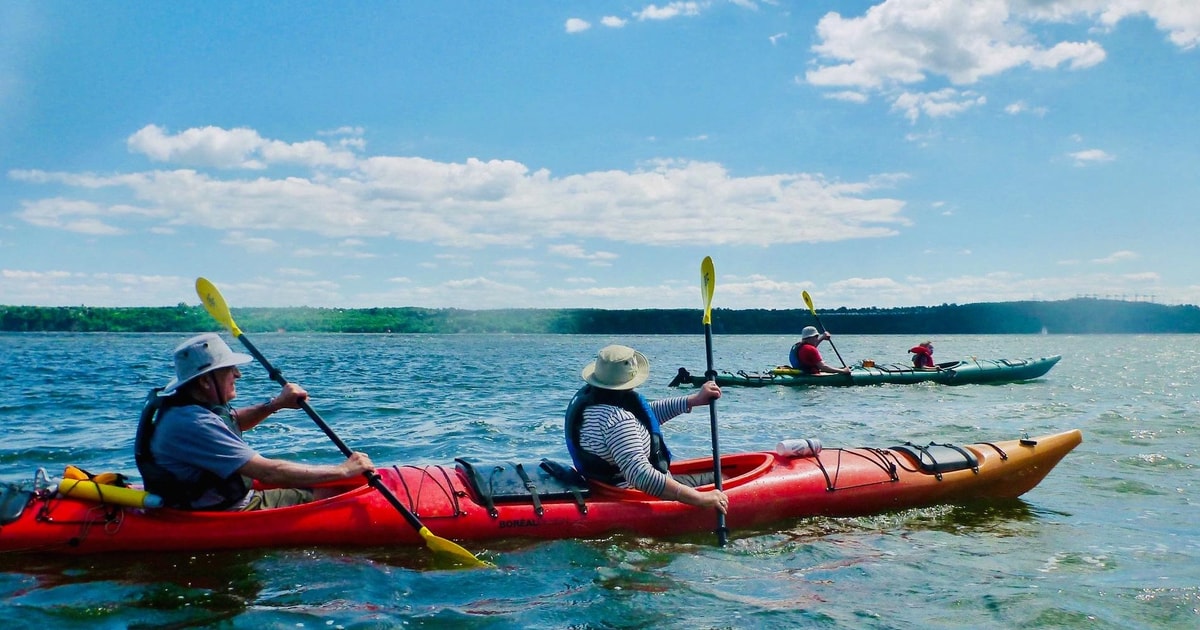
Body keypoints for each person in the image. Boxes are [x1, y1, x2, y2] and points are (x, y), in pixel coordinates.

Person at [134, 332, 375, 511]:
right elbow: (269, 472)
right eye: (229, 370)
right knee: (328, 491)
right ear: (206, 382)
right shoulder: (194, 424)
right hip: (221, 509)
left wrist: (275, 404)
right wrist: (343, 470)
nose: (237, 374)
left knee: (323, 482)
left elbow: (232, 421)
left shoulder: (186, 408)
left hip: (200, 497)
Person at [564, 344, 729, 514]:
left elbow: (646, 416)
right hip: (634, 494)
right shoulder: (618, 421)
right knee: (724, 479)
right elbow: (640, 475)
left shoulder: (594, 404)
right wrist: (700, 499)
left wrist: (692, 400)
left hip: (603, 486)